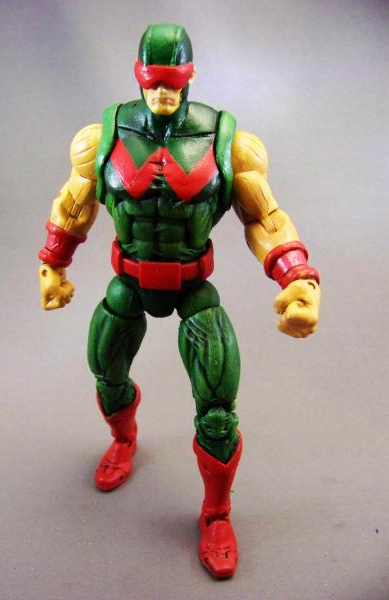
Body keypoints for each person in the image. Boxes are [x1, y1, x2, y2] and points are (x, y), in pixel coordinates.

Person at [38, 23, 321, 579]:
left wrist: (297, 280)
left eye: (173, 82)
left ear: (190, 77)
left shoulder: (228, 141)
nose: (163, 94)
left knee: (217, 409)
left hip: (193, 286)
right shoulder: (102, 137)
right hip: (129, 280)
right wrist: (53, 263)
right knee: (106, 371)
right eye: (154, 82)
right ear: (139, 77)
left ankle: (217, 514)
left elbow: (265, 218)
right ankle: (123, 440)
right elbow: (74, 204)